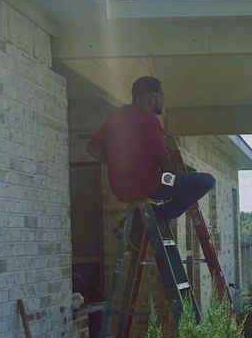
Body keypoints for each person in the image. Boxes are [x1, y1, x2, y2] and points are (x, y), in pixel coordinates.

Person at [87, 76, 216, 226]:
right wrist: (175, 179)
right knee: (206, 181)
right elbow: (163, 160)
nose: (163, 101)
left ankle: (143, 219)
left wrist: (117, 166)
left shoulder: (118, 116)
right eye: (162, 96)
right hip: (150, 184)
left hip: (120, 188)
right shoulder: (149, 120)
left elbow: (92, 148)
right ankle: (161, 215)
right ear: (151, 99)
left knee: (187, 179)